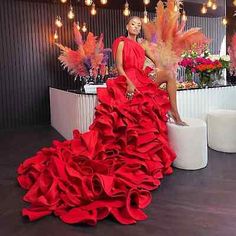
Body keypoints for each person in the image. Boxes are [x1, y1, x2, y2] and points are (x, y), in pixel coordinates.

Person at [17, 16, 176, 225]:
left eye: (139, 25)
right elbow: (119, 66)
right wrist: (128, 83)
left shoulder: (142, 44)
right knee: (125, 118)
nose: (136, 27)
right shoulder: (121, 42)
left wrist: (155, 67)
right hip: (127, 80)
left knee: (159, 94)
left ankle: (173, 116)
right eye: (133, 24)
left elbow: (156, 61)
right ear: (127, 26)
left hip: (141, 77)